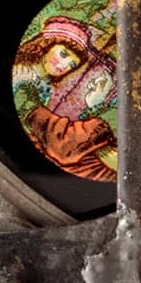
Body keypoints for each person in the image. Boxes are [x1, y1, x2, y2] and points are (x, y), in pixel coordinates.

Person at [13, 13, 119, 179]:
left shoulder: (44, 85)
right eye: (63, 54)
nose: (63, 65)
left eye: (71, 65)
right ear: (46, 44)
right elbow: (60, 142)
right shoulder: (23, 80)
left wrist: (94, 106)